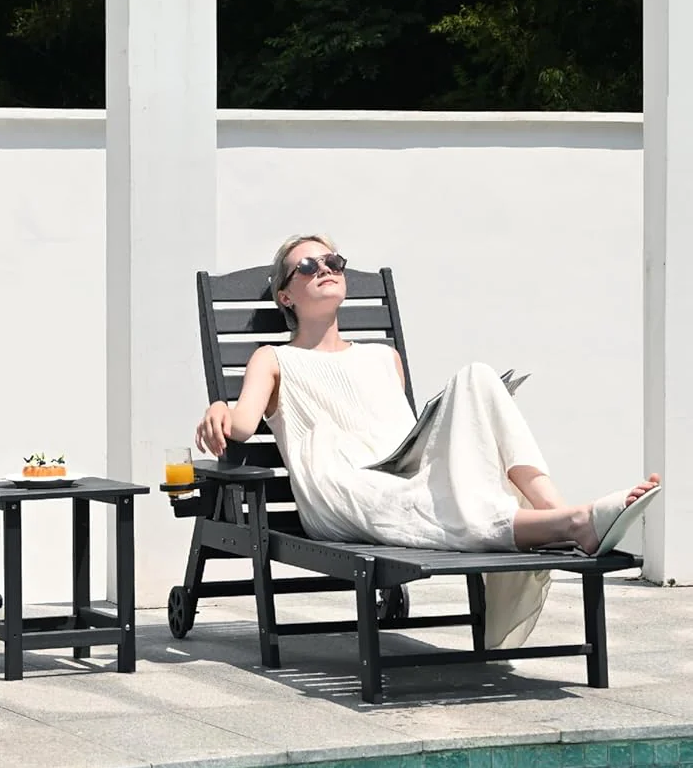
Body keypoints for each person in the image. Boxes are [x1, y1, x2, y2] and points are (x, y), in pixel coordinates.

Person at [195, 232, 662, 649]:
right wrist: (220, 407)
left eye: (333, 262)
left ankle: (556, 511)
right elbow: (241, 426)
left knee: (479, 377)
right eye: (307, 266)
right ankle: (573, 524)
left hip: (407, 472)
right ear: (285, 295)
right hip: (344, 487)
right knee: (412, 497)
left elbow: (403, 436)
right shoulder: (273, 358)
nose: (325, 269)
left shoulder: (384, 358)